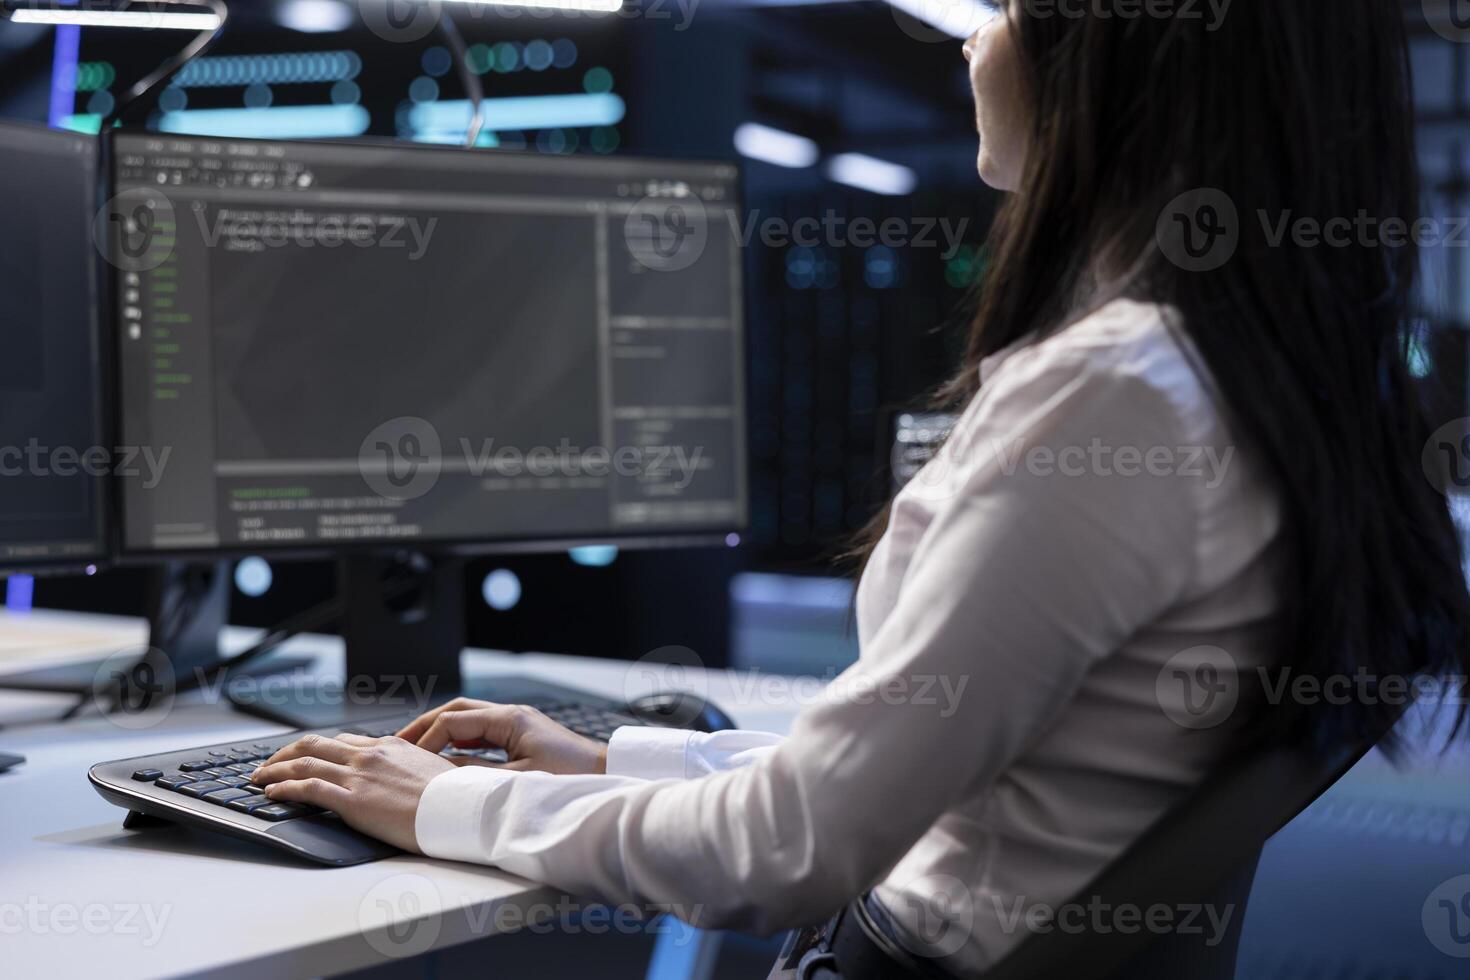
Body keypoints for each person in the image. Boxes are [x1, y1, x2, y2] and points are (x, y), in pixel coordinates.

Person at [251, 1, 1470, 974]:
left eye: (998, 5)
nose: (975, 37)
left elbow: (794, 851)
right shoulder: (1249, 374)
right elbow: (958, 785)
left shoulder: (1115, 398)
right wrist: (608, 760)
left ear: (1107, 52)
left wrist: (450, 805)